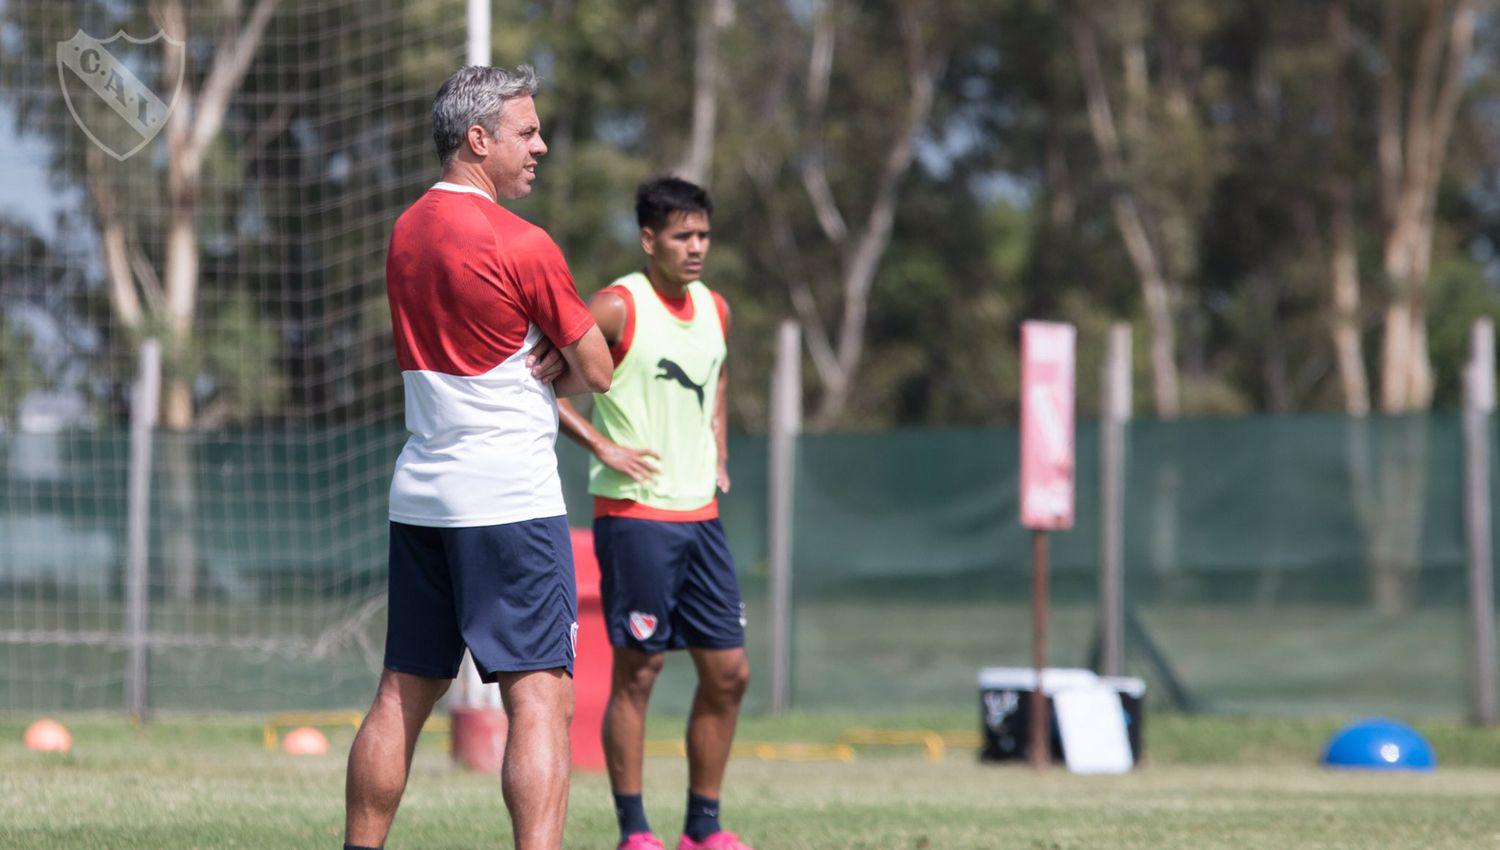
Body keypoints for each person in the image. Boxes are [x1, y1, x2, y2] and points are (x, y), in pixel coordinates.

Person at [343, 65, 612, 850]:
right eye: (527, 133)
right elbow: (596, 368)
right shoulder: (520, 241)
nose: (543, 147)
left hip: (422, 492)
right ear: (479, 138)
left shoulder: (404, 232)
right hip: (510, 502)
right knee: (540, 700)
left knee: (402, 692)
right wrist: (571, 347)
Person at [556, 177, 754, 850]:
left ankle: (704, 826)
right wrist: (603, 443)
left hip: (702, 518)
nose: (696, 248)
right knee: (640, 672)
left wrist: (718, 447)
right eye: (681, 236)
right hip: (635, 517)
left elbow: (718, 374)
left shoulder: (717, 310)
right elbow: (542, 382)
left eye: (703, 235)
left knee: (730, 674)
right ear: (649, 239)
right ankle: (635, 830)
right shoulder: (617, 306)